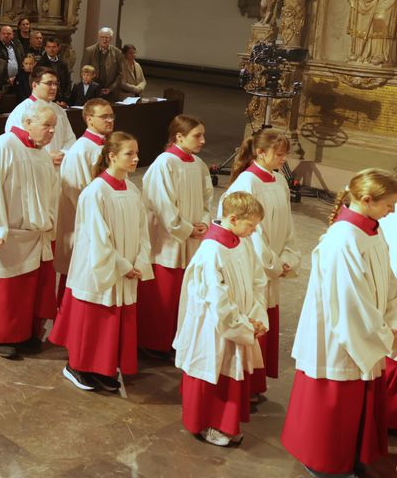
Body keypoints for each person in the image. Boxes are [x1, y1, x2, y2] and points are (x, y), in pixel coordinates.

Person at [282, 169, 397, 477]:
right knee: (335, 403)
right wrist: (384, 334)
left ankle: (352, 454)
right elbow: (349, 303)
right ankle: (324, 460)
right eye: (389, 204)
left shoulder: (372, 230)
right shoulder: (342, 239)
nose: (392, 211)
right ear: (368, 200)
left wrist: (392, 318)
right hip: (340, 337)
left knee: (356, 402)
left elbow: (387, 280)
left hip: (366, 330)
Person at [51, 132, 153, 393]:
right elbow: (98, 238)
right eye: (129, 153)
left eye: (136, 153)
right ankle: (77, 367)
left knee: (111, 323)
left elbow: (142, 230)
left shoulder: (131, 189)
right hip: (100, 269)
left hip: (126, 268)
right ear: (112, 156)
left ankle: (102, 368)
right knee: (93, 320)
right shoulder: (95, 191)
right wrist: (122, 266)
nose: (136, 158)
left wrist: (139, 261)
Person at [171, 191, 267, 447]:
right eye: (251, 225)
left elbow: (257, 280)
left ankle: (225, 422)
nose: (254, 231)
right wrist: (243, 326)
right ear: (233, 218)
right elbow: (218, 301)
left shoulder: (241, 242)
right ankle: (204, 423)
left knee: (229, 374)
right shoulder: (212, 251)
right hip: (213, 328)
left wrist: (255, 317)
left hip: (240, 321)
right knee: (210, 370)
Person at [0, 101, 60, 358]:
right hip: (5, 234)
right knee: (2, 290)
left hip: (32, 235)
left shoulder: (41, 153)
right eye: (46, 126)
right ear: (28, 123)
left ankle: (23, 333)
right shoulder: (2, 147)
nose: (51, 132)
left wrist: (48, 221)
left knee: (25, 290)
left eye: (54, 127)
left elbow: (51, 192)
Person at [219, 129, 298, 399]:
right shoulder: (248, 182)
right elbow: (251, 232)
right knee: (254, 316)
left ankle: (255, 383)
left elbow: (287, 222)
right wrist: (272, 263)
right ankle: (244, 385)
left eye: (285, 153)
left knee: (267, 317)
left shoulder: (279, 180)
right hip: (253, 265)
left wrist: (287, 255)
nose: (283, 159)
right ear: (260, 153)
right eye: (279, 153)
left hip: (273, 262)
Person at [139, 114, 213, 359]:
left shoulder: (198, 164)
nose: (202, 140)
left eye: (202, 135)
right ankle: (153, 343)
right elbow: (162, 205)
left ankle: (175, 340)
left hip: (192, 236)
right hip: (167, 241)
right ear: (179, 137)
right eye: (197, 135)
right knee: (164, 296)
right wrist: (186, 228)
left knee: (182, 294)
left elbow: (207, 198)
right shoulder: (164, 164)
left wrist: (203, 222)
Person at [55, 99, 116, 301]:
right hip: (85, 224)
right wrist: (99, 221)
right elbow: (75, 192)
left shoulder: (108, 144)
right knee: (78, 271)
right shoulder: (81, 150)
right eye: (104, 116)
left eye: (111, 115)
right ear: (89, 119)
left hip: (104, 221)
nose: (109, 120)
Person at [4, 65, 76, 158]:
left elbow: (69, 139)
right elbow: (15, 145)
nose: (54, 88)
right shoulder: (20, 112)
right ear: (34, 85)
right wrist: (45, 158)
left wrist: (63, 154)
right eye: (49, 83)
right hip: (33, 165)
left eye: (56, 84)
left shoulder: (60, 111)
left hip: (59, 165)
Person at [81, 27, 122, 97]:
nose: (104, 40)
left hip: (110, 93)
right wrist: (92, 87)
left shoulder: (117, 52)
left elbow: (120, 74)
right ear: (98, 37)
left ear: (111, 38)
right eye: (102, 37)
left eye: (107, 37)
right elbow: (83, 71)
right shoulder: (89, 51)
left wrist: (110, 88)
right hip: (92, 91)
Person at [42, 36, 71, 101]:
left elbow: (68, 82)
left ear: (58, 47)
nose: (51, 49)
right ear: (45, 48)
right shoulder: (41, 64)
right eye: (49, 47)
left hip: (63, 101)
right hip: (47, 100)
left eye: (54, 47)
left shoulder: (63, 63)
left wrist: (65, 100)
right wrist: (54, 101)